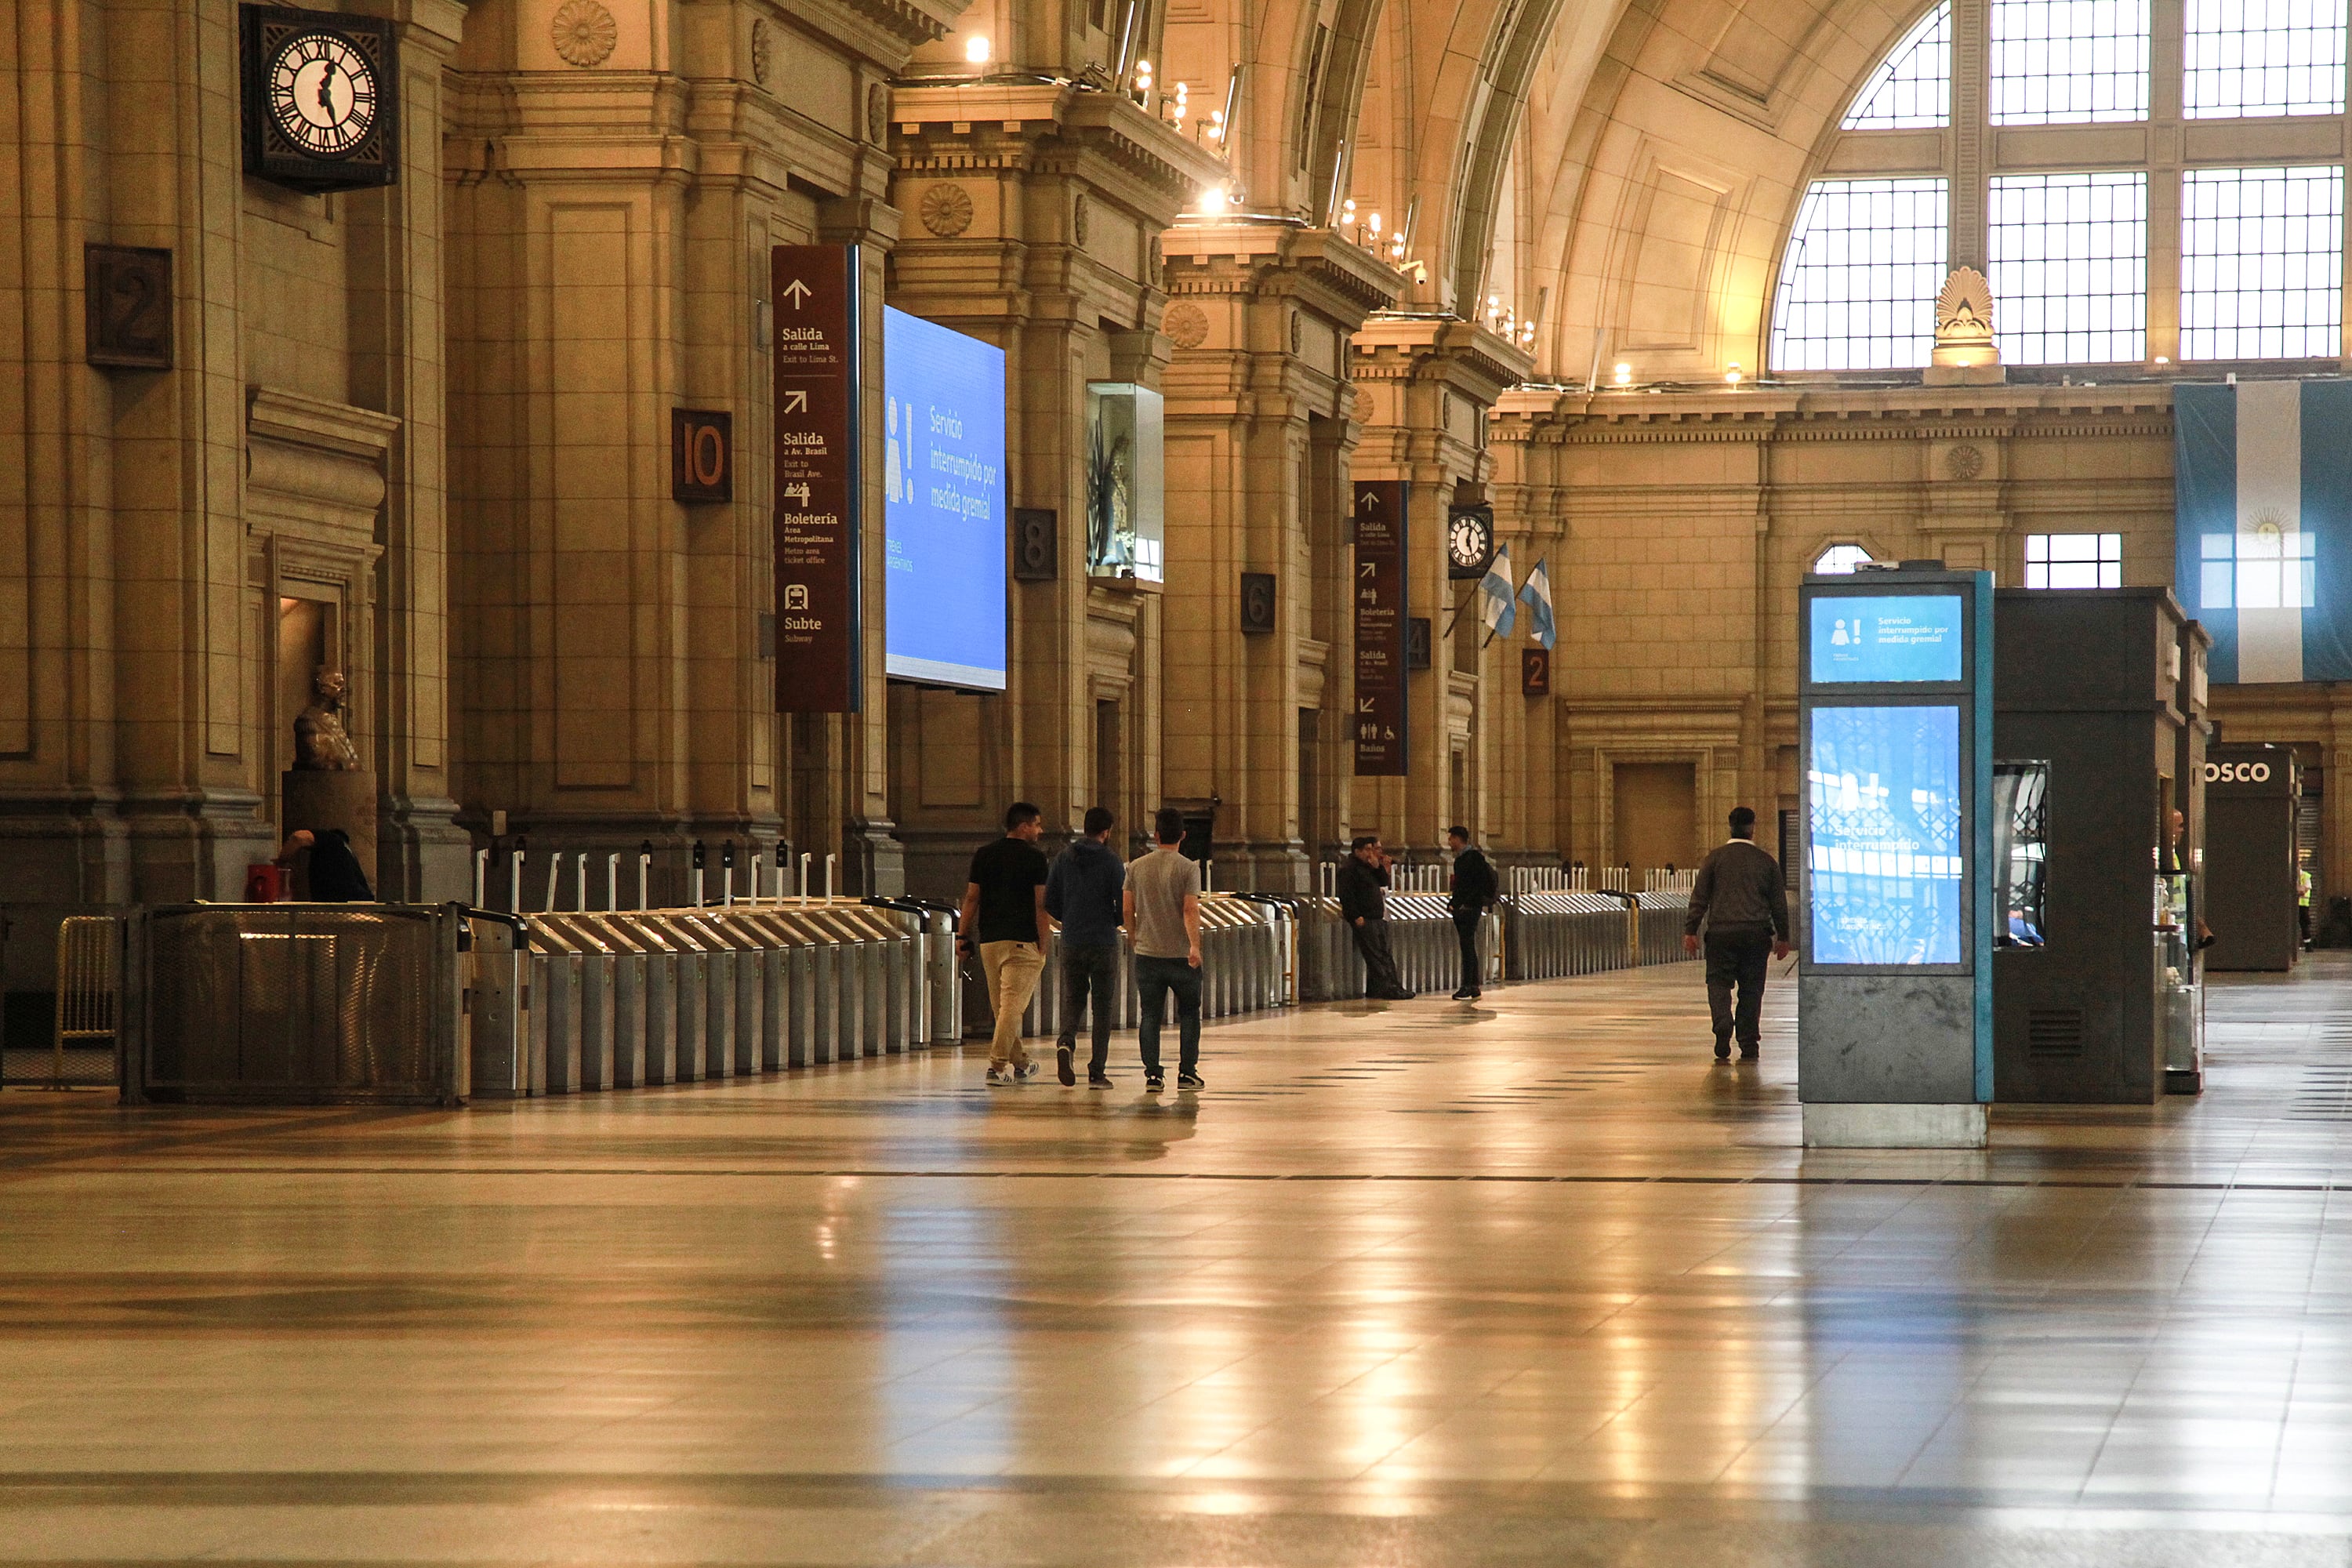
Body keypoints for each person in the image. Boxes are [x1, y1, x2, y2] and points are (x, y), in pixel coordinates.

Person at [1681, 806, 1791, 1062]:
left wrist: (1690, 930)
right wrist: (1783, 937)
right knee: (1751, 990)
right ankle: (1749, 1042)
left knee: (1718, 983)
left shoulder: (1714, 859)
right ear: (1752, 827)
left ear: (1730, 826)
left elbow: (1699, 899)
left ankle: (1722, 1024)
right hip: (1755, 935)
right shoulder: (1766, 862)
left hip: (1721, 934)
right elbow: (1778, 904)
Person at [960, 802, 1053, 1086]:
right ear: (1023, 826)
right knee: (1012, 1008)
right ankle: (997, 1066)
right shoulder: (1036, 859)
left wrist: (962, 936)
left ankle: (1021, 1063)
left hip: (990, 941)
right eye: (1037, 824)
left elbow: (972, 898)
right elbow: (1041, 905)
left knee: (1003, 1009)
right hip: (1022, 942)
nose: (1040, 830)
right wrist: (1044, 941)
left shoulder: (984, 855)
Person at [1123, 808, 1204, 1091]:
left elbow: (1127, 908)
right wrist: (1194, 945)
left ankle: (1153, 1075)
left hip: (1148, 954)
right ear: (1183, 835)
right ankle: (1187, 1073)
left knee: (1150, 1015)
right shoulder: (1188, 868)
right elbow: (1190, 908)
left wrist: (1135, 938)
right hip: (1182, 955)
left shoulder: (1136, 867)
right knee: (1190, 1013)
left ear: (1156, 835)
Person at [1046, 805, 1126, 1087]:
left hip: (1072, 939)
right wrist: (1115, 921)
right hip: (1103, 940)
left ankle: (1066, 1042)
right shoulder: (1112, 861)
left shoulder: (1064, 858)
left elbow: (1049, 899)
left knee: (1074, 998)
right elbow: (1122, 900)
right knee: (1102, 1007)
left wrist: (1068, 917)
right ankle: (1097, 1071)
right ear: (1107, 832)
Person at [1337, 834, 1414, 1000]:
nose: (1370, 853)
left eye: (1372, 850)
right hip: (1365, 918)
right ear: (1357, 851)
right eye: (1367, 850)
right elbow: (1347, 895)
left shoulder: (1369, 867)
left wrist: (1378, 866)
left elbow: (1383, 882)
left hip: (1377, 917)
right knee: (1375, 956)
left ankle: (1391, 986)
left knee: (1384, 954)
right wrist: (1355, 915)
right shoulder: (1349, 869)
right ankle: (1387, 988)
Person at [1446, 826, 1498, 1000]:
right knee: (1468, 947)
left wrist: (1461, 903)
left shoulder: (1471, 859)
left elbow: (1472, 885)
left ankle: (1468, 985)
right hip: (1467, 907)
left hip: (1469, 908)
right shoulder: (1464, 859)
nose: (1449, 842)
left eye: (1451, 838)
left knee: (1467, 947)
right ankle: (1473, 985)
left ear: (1459, 839)